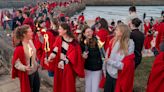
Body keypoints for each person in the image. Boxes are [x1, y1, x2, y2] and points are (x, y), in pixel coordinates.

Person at [45, 23, 84, 92]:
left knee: (68, 86)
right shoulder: (59, 38)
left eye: (60, 29)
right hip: (59, 66)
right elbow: (55, 50)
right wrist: (51, 56)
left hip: (68, 68)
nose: (58, 30)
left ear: (65, 31)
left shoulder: (73, 42)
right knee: (59, 84)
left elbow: (72, 57)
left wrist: (63, 61)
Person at [103, 24, 135, 92]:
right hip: (109, 73)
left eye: (117, 30)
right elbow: (107, 56)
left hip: (119, 76)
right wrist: (105, 70)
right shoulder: (113, 41)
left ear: (122, 32)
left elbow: (124, 66)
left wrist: (110, 61)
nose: (115, 31)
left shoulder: (129, 44)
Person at [11, 25, 40, 92]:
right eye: (30, 32)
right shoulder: (20, 48)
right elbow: (16, 62)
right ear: (24, 34)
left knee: (36, 88)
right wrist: (24, 67)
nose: (32, 32)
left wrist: (36, 62)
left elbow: (32, 55)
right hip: (28, 74)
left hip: (35, 71)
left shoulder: (30, 41)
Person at [80, 26, 103, 92]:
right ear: (84, 34)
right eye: (87, 32)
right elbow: (79, 54)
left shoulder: (97, 40)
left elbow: (102, 52)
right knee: (88, 86)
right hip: (87, 67)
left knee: (95, 88)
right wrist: (82, 55)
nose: (90, 33)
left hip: (97, 67)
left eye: (91, 31)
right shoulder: (81, 43)